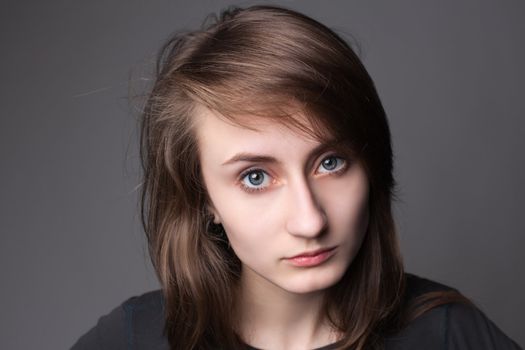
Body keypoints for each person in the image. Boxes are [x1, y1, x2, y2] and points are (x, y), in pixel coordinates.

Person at [71, 5, 521, 350]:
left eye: (330, 163)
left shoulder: (448, 335)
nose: (309, 222)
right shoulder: (134, 339)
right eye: (254, 177)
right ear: (202, 196)